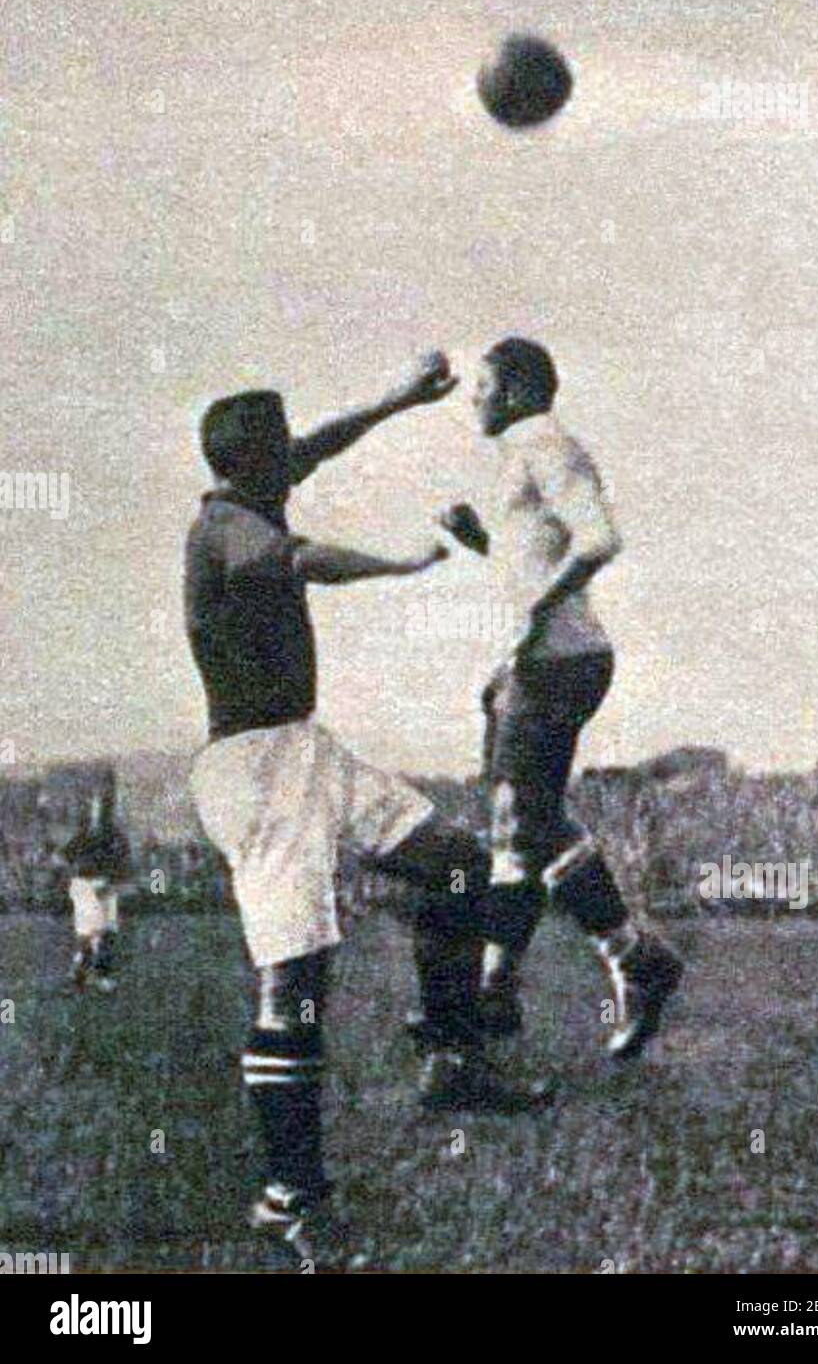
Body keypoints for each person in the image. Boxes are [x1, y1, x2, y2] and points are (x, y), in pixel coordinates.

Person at [184, 359, 548, 1261]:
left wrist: (395, 397)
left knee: (458, 865)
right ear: (259, 462)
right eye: (288, 448)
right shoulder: (226, 530)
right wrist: (415, 558)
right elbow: (305, 563)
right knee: (296, 982)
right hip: (257, 770)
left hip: (306, 749)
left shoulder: (249, 492)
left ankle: (451, 1055)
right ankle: (289, 1198)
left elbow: (325, 441)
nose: (301, 456)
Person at [438, 337, 683, 1056]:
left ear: (514, 389)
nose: (471, 398)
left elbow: (601, 539)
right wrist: (481, 542)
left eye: (480, 385)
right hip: (537, 660)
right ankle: (514, 985)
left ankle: (622, 962)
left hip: (561, 660)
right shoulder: (522, 453)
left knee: (523, 820)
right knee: (525, 825)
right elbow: (538, 558)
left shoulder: (548, 444)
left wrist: (536, 611)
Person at [63, 781, 132, 994]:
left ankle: (94, 975)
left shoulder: (114, 836)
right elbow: (65, 857)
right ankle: (81, 975)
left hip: (106, 886)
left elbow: (123, 861)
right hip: (86, 886)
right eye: (95, 806)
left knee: (106, 933)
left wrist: (115, 882)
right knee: (90, 934)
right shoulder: (84, 836)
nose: (98, 811)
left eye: (103, 807)